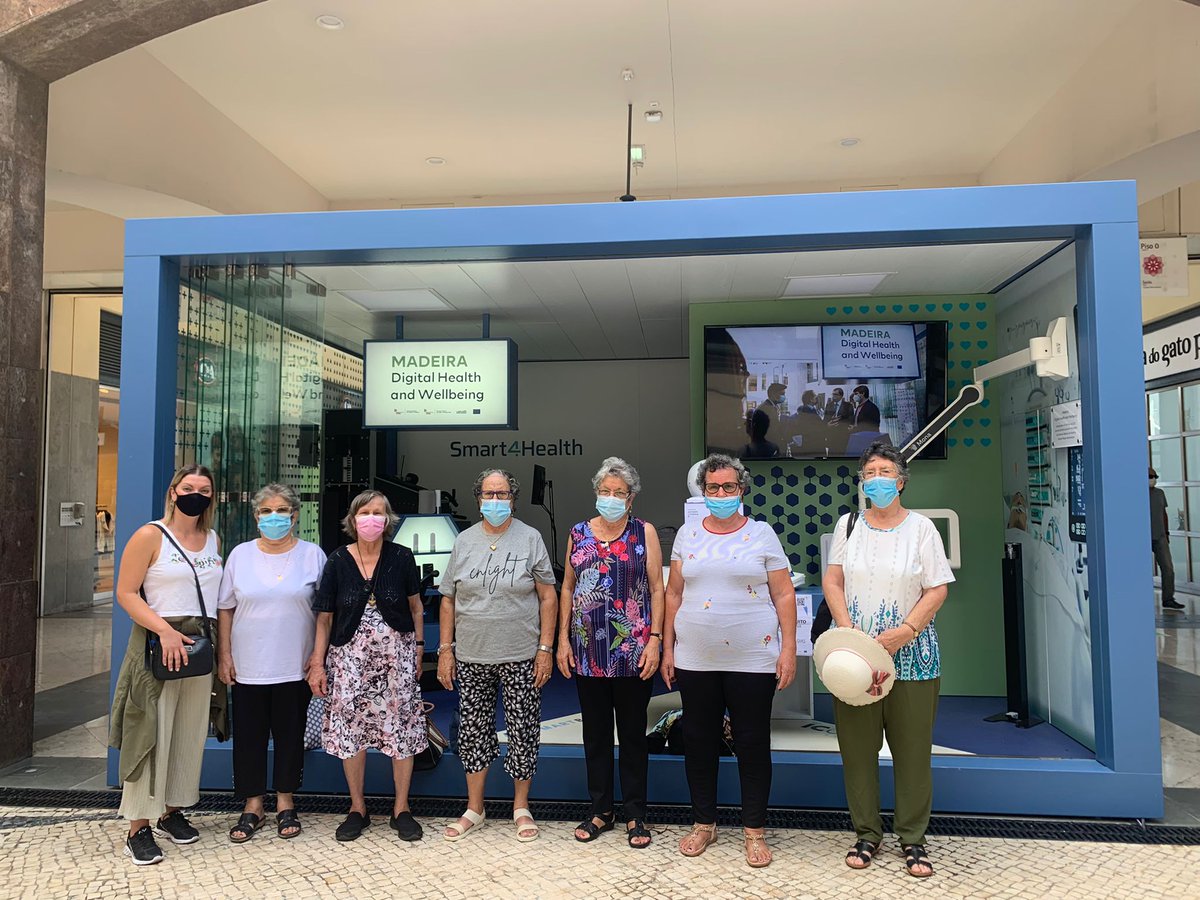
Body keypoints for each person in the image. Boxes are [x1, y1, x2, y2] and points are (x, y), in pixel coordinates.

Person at [821, 442, 955, 878]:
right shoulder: (849, 524)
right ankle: (866, 832)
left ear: (900, 481)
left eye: (885, 471)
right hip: (855, 659)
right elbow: (834, 580)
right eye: (869, 473)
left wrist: (907, 630)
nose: (876, 478)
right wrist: (847, 628)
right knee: (857, 751)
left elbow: (937, 589)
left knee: (913, 753)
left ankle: (912, 839)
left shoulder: (922, 530)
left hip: (913, 659)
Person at [661, 453, 797, 868]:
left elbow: (784, 594)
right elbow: (673, 594)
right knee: (699, 741)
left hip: (753, 658)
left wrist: (788, 648)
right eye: (713, 488)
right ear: (703, 491)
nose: (720, 494)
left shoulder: (761, 534)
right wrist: (667, 647)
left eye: (729, 487)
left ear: (742, 490)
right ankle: (704, 824)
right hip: (696, 657)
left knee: (752, 743)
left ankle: (754, 830)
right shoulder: (687, 534)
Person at [109, 464, 223, 866]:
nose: (196, 493)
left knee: (189, 731)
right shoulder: (150, 534)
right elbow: (125, 592)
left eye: (204, 489)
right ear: (174, 492)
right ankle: (138, 826)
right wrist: (165, 632)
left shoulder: (211, 539)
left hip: (199, 647)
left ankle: (172, 810)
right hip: (160, 644)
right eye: (188, 487)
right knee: (150, 731)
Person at [437, 468, 558, 842]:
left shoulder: (530, 538)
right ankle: (475, 807)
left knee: (523, 730)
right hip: (472, 654)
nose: (495, 501)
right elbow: (448, 598)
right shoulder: (465, 541)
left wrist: (545, 649)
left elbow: (547, 596)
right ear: (478, 499)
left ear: (513, 499)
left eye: (501, 494)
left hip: (521, 653)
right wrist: (445, 650)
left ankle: (521, 806)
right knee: (474, 733)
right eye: (488, 495)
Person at [556, 457, 665, 849]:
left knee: (633, 736)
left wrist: (655, 639)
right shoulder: (578, 533)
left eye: (620, 492)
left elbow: (657, 589)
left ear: (631, 498)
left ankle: (636, 814)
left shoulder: (644, 532)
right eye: (606, 491)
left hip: (633, 651)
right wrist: (563, 640)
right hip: (588, 652)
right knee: (596, 735)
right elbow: (567, 587)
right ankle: (601, 809)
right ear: (596, 493)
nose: (612, 498)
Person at [307, 490, 427, 843]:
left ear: (388, 520)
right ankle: (357, 808)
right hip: (349, 659)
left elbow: (416, 607)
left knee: (400, 729)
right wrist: (318, 663)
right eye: (365, 512)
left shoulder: (401, 557)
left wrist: (419, 649)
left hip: (397, 657)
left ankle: (401, 808)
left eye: (378, 512)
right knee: (352, 731)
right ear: (353, 518)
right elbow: (324, 618)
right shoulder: (338, 561)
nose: (371, 519)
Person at [216, 483, 326, 842]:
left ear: (295, 516)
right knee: (249, 737)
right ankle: (252, 805)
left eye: (282, 510)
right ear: (256, 517)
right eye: (266, 511)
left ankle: (285, 801)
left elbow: (325, 613)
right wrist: (225, 655)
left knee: (290, 736)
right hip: (248, 664)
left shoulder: (313, 555)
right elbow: (226, 609)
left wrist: (317, 657)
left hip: (295, 664)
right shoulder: (240, 556)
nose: (274, 517)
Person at [1150, 467, 1185, 611]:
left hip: (1160, 536)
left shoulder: (1159, 493)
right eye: (1150, 477)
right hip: (1142, 538)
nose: (1153, 479)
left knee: (1168, 568)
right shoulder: (1136, 494)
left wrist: (1166, 532)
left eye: (1154, 477)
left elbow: (1163, 514)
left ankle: (1168, 598)